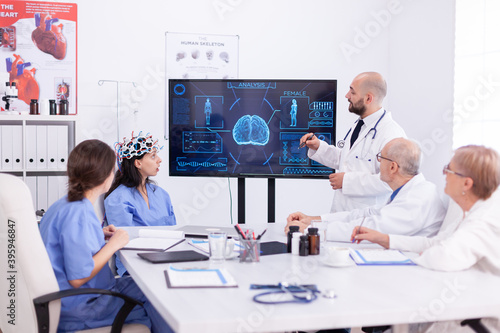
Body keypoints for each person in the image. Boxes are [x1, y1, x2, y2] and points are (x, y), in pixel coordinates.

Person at [352, 145, 500, 332]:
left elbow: (442, 256)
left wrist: (419, 257)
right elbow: (435, 243)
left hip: (476, 318)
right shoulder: (470, 212)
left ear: (467, 184)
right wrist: (385, 239)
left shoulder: (484, 221)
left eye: (449, 169)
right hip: (460, 303)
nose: (444, 174)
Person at [39, 139, 172, 332]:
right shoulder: (80, 213)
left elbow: (69, 243)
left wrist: (98, 235)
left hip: (77, 296)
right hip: (83, 305)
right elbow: (78, 277)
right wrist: (113, 245)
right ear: (105, 175)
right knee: (155, 300)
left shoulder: (65, 205)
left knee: (152, 284)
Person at [286, 138, 446, 241]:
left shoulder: (416, 199)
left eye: (380, 158)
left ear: (392, 167)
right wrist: (314, 219)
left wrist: (312, 229)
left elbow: (370, 227)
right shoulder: (409, 191)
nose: (377, 163)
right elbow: (366, 214)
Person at [300, 72, 406, 213]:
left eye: (352, 92)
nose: (347, 96)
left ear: (368, 98)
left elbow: (392, 181)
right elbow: (348, 161)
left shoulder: (392, 134)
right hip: (343, 214)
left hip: (368, 220)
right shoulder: (361, 124)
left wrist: (347, 181)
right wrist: (319, 147)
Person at [104, 131, 176, 276]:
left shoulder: (161, 194)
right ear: (138, 163)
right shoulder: (118, 198)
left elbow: (174, 233)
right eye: (153, 156)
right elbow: (124, 243)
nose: (159, 160)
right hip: (134, 270)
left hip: (166, 261)